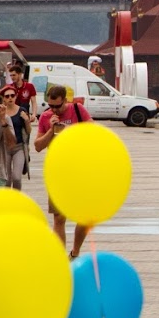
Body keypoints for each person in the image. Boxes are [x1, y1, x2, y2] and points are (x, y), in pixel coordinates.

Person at [35, 84, 94, 258]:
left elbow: (92, 130)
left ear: (65, 101)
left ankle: (75, 252)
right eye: (50, 105)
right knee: (59, 218)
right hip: (57, 172)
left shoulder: (78, 109)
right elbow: (38, 146)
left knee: (84, 217)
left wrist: (70, 130)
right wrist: (51, 131)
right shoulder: (46, 117)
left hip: (79, 170)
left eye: (57, 106)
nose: (53, 110)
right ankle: (61, 258)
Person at [0, 86, 33, 189]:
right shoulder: (1, 112)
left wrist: (27, 120)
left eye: (12, 95)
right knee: (7, 179)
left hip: (19, 147)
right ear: (3, 98)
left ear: (16, 96)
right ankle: (8, 200)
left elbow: (28, 131)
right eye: (7, 96)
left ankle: (17, 199)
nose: (10, 98)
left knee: (17, 177)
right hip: (5, 148)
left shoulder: (21, 110)